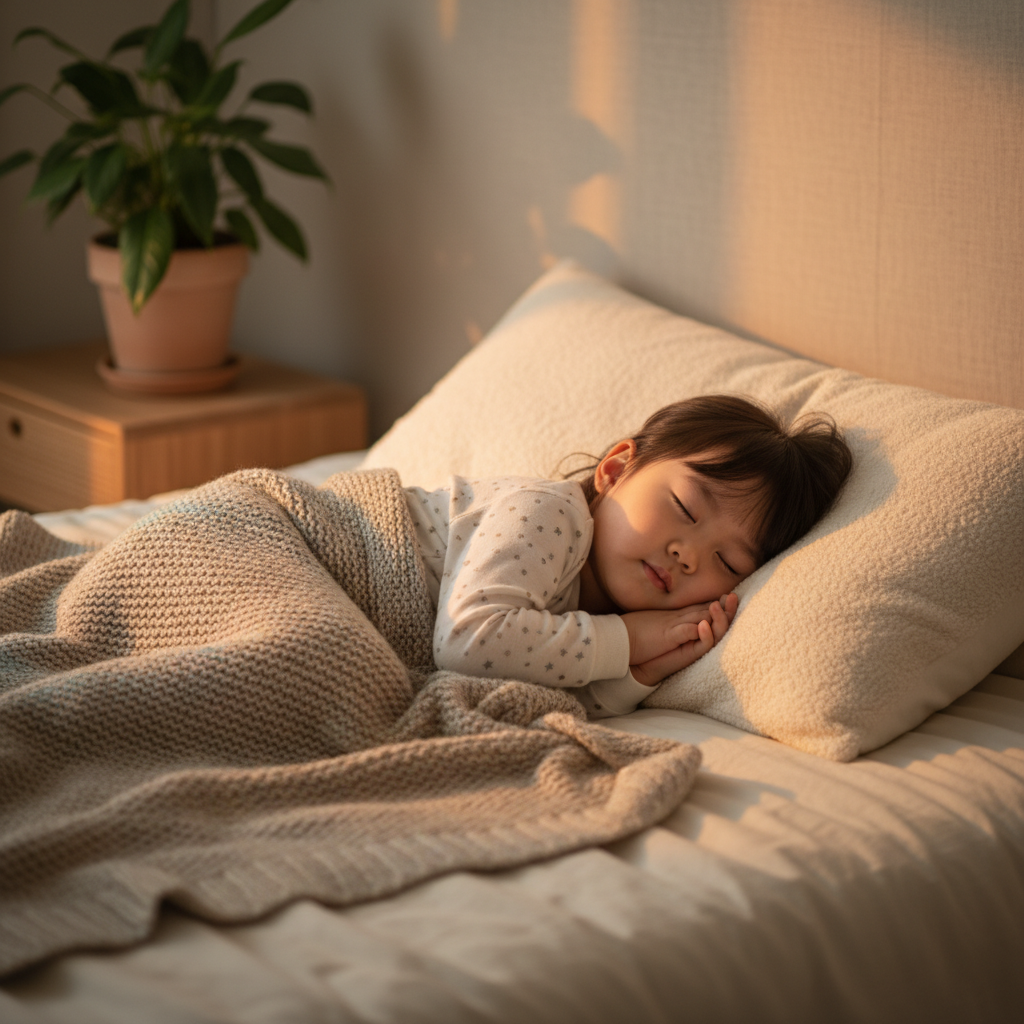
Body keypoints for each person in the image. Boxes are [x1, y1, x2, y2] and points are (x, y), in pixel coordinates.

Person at [405, 395, 853, 718]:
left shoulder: (602, 622)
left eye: (728, 562)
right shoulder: (548, 511)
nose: (688, 556)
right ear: (617, 469)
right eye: (685, 508)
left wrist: (640, 673)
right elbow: (468, 643)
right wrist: (628, 639)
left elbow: (525, 697)